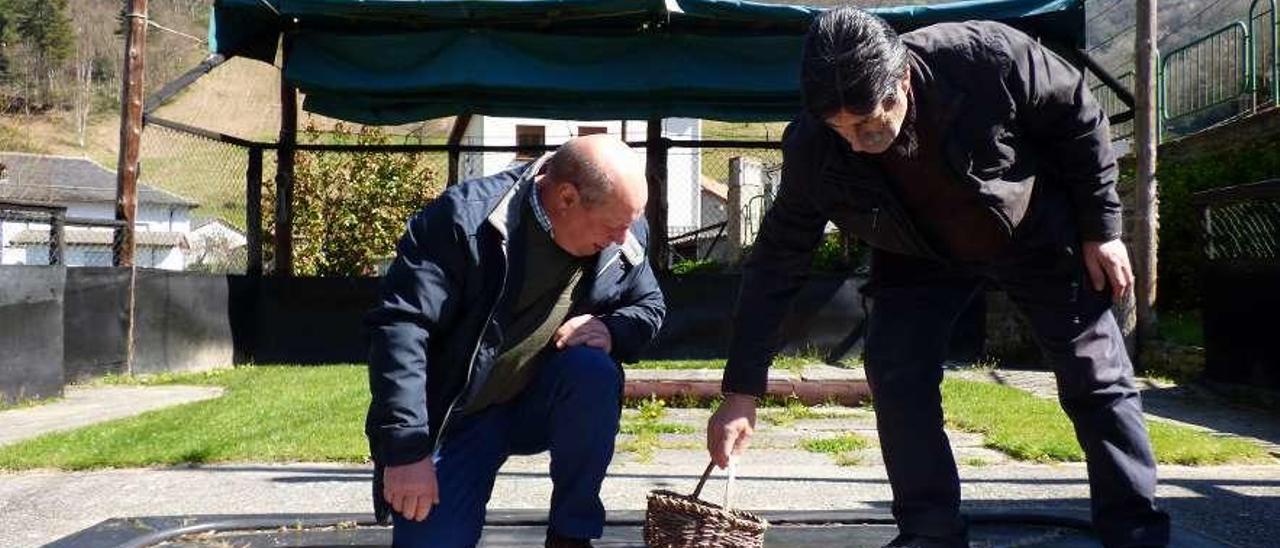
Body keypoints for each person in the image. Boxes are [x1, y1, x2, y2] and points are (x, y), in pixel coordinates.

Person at [707, 8, 1171, 548]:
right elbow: (777, 260)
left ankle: (1134, 531)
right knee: (896, 368)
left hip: (1032, 230)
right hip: (917, 251)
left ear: (901, 80)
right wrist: (741, 390)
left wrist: (1102, 227)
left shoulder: (989, 59)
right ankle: (930, 531)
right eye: (841, 130)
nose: (855, 143)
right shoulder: (815, 147)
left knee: (1096, 375)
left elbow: (1078, 116)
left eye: (867, 124)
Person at [366, 134, 666, 548]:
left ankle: (571, 535)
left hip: (537, 402)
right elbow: (402, 329)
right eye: (614, 226)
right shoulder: (464, 221)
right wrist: (405, 451)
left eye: (629, 225)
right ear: (566, 198)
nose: (622, 238)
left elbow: (649, 304)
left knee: (592, 371)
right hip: (456, 418)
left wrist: (613, 330)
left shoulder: (624, 231)